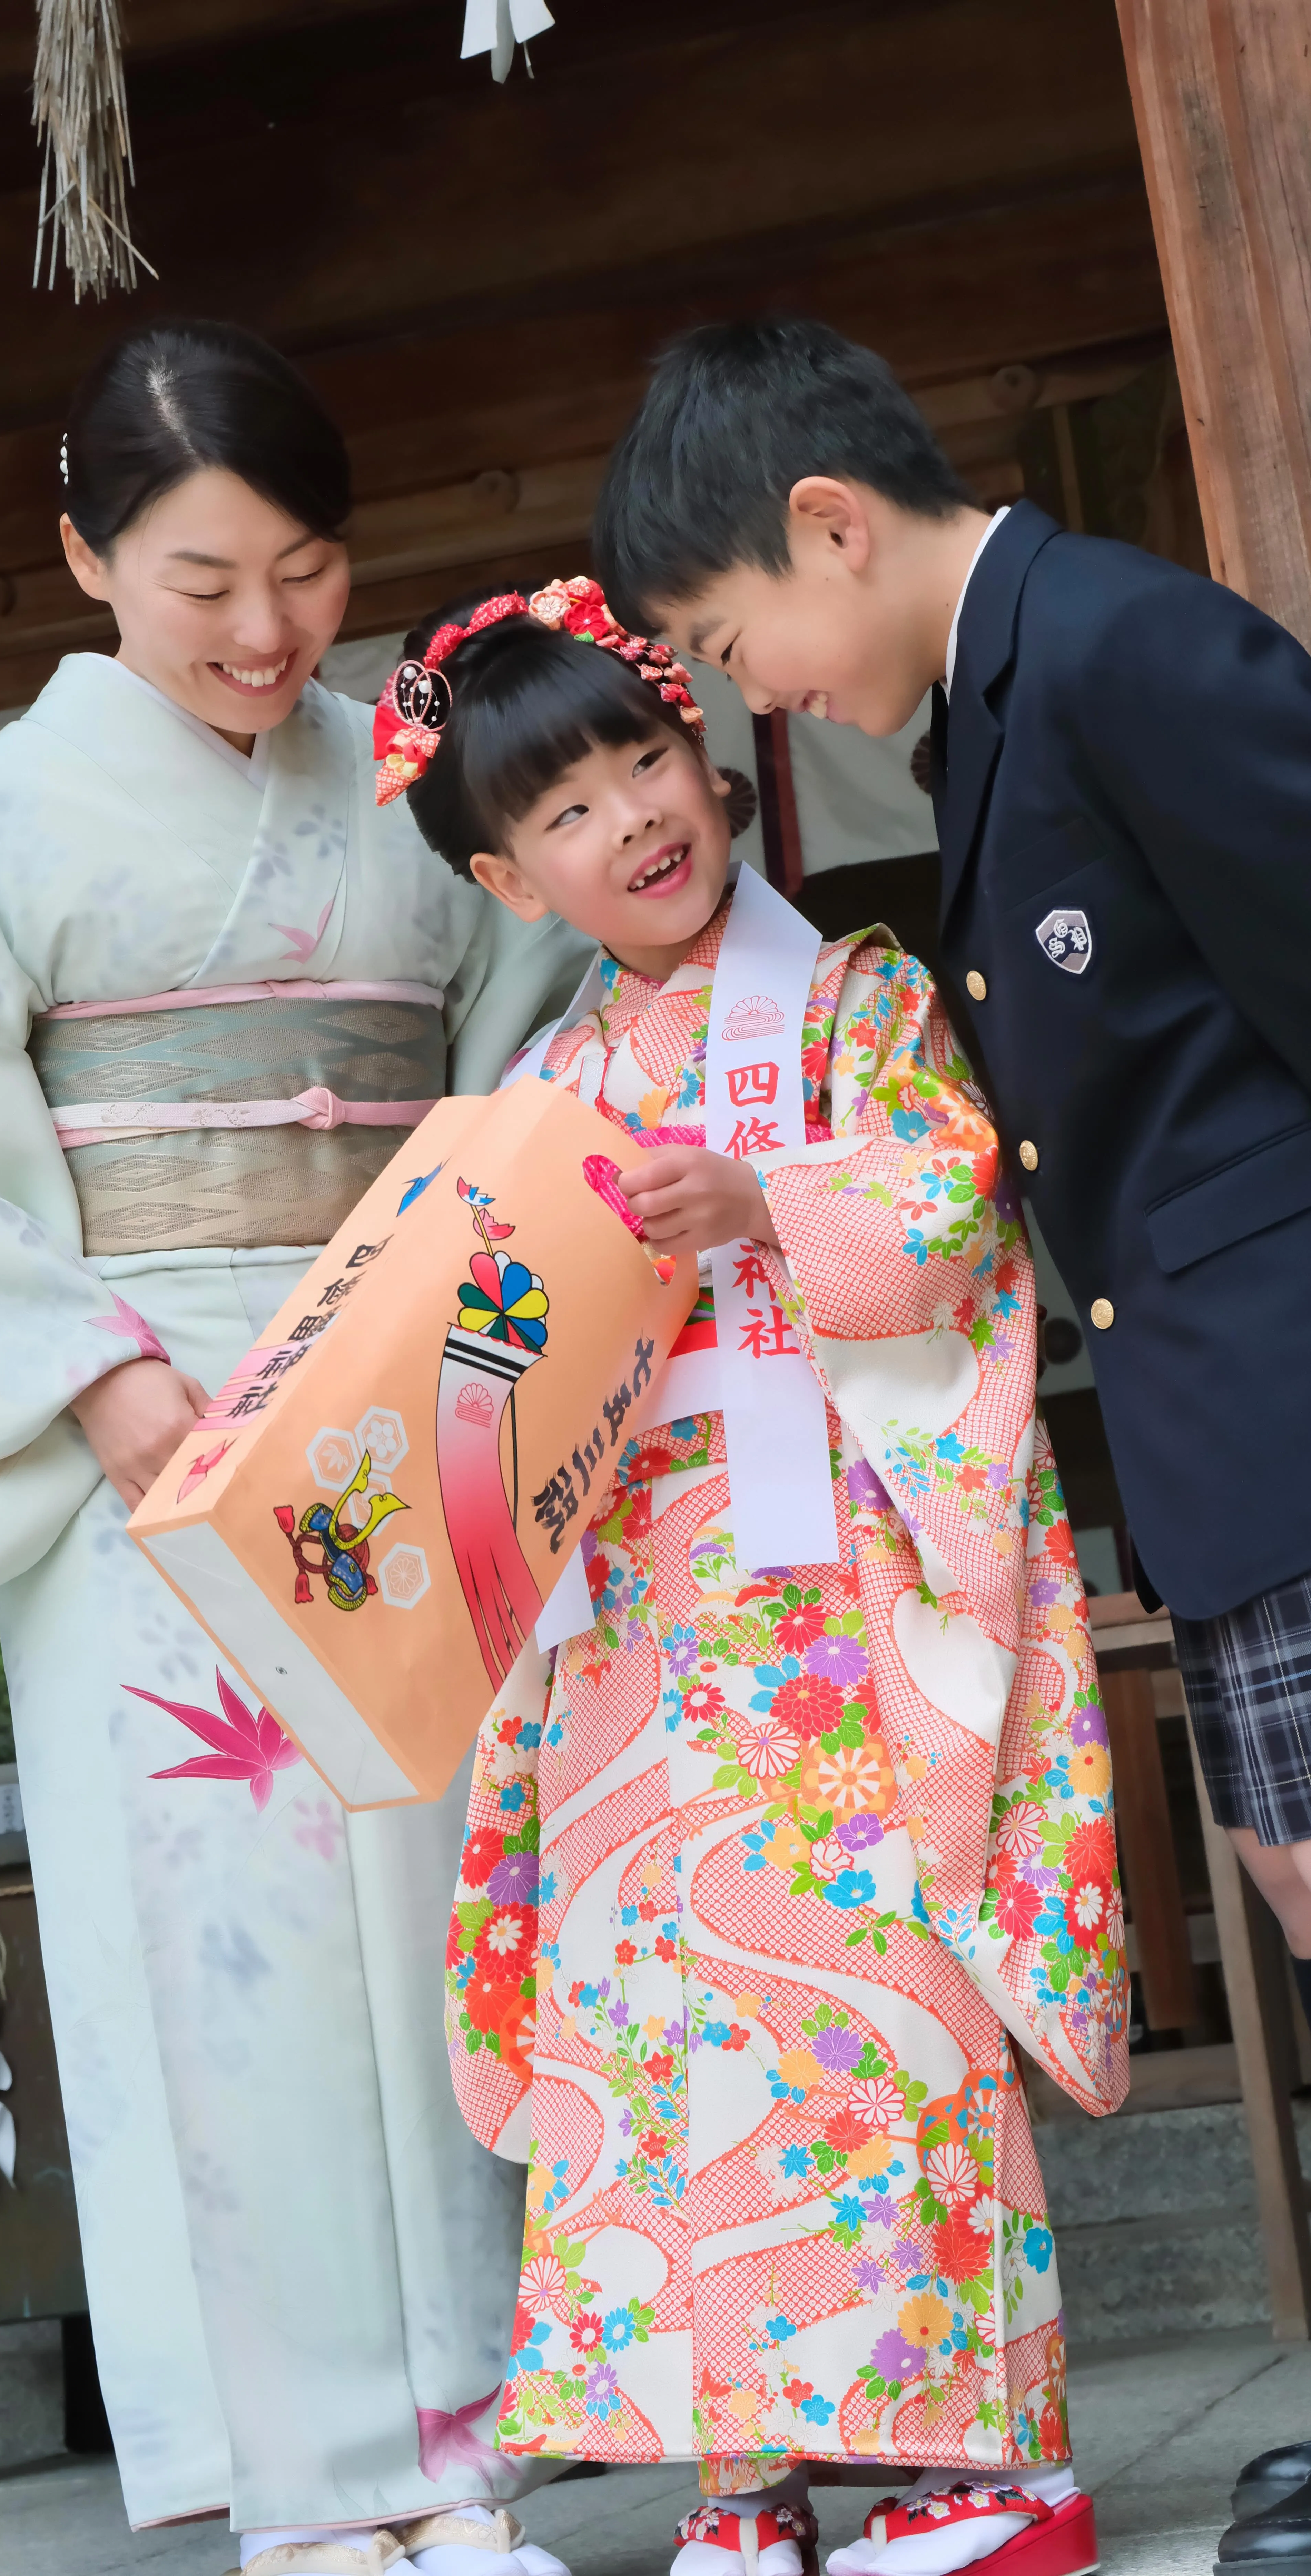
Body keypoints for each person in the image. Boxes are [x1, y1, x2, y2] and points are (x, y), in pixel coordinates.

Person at [0, 320, 592, 2576]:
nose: (266, 630)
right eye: (201, 580)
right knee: (223, 1936)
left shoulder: (408, 779)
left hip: (405, 1404)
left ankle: (469, 2445)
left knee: (448, 1897)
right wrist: (94, 1375)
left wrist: (464, 1326)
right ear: (85, 556)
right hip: (145, 1434)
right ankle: (302, 2483)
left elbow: (533, 1046)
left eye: (304, 568)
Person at [590, 308, 1311, 2576]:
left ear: (827, 526)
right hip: (1221, 1411)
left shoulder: (1115, 644)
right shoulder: (1002, 693)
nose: (756, 700)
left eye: (734, 645)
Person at [379, 573, 1128, 2576]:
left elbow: (951, 1207)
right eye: (564, 812)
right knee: (652, 2027)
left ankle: (990, 2472)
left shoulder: (857, 998)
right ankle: (742, 2480)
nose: (631, 816)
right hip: (633, 1621)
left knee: (878, 1997)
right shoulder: (540, 1089)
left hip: (835, 1600)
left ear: (703, 756)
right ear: (509, 880)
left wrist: (766, 1199)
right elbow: (492, 1369)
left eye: (643, 760)